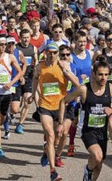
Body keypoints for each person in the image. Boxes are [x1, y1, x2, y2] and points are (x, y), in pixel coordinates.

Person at [64, 61, 112, 181]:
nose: (103, 78)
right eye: (100, 74)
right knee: (97, 156)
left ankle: (89, 176)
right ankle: (88, 169)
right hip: (87, 129)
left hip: (102, 131)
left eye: (106, 75)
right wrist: (65, 120)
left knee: (99, 165)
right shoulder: (84, 89)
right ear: (93, 74)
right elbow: (64, 101)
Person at [33, 42, 78, 181]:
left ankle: (47, 152)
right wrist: (32, 93)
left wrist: (66, 72)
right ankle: (53, 171)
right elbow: (35, 79)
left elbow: (77, 84)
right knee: (51, 136)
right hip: (45, 106)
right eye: (49, 52)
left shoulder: (64, 65)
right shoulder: (40, 66)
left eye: (54, 52)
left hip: (60, 107)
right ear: (45, 52)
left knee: (60, 134)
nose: (52, 55)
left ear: (58, 54)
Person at [14, 29, 38, 134]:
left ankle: (20, 124)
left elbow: (36, 61)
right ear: (20, 38)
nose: (26, 39)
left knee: (28, 100)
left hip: (29, 77)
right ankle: (8, 115)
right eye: (24, 37)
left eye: (28, 37)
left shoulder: (33, 48)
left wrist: (36, 73)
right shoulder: (16, 48)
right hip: (16, 77)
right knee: (15, 106)